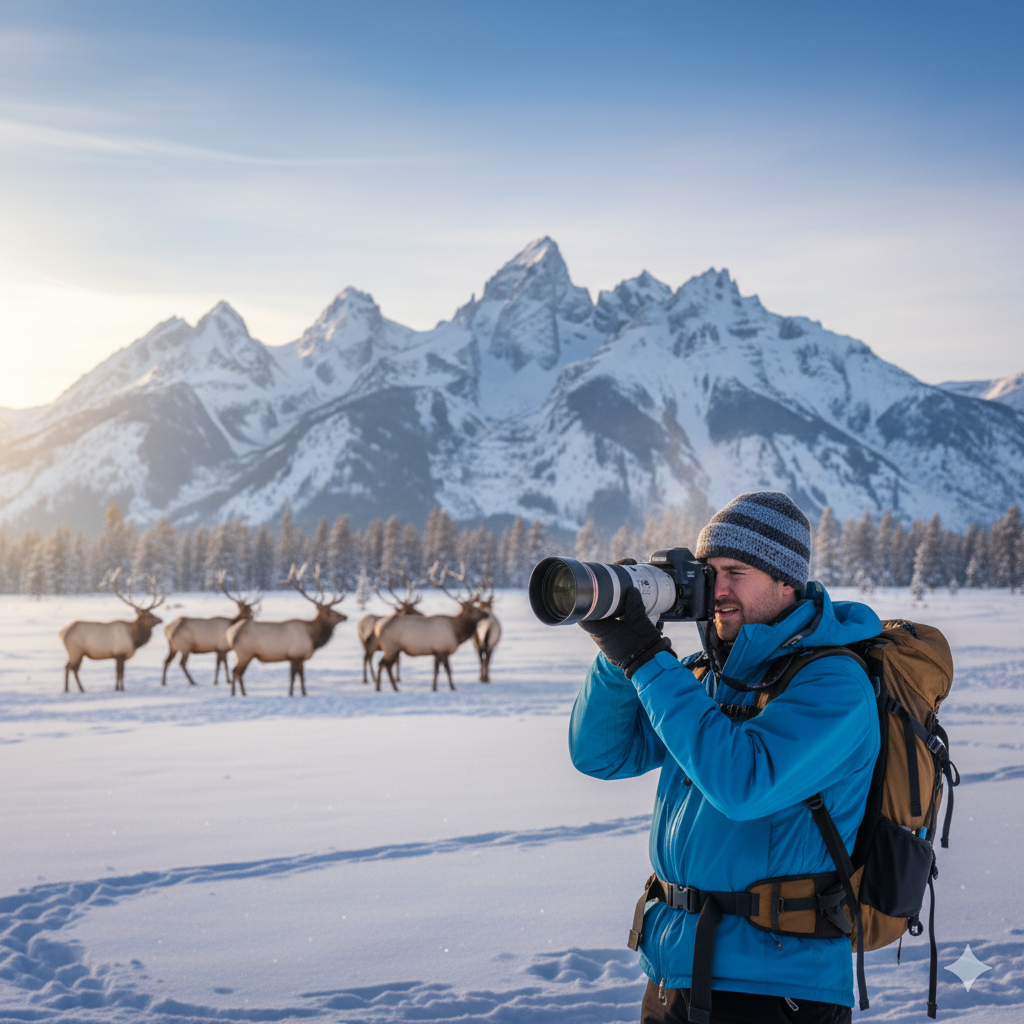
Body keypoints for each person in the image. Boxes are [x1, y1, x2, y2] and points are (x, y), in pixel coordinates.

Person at [568, 491, 882, 1024]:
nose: (719, 590)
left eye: (736, 570)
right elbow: (601, 754)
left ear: (788, 582)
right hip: (674, 969)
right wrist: (615, 650)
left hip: (776, 985)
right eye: (709, 572)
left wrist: (645, 659)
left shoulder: (834, 683)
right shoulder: (703, 676)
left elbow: (745, 784)